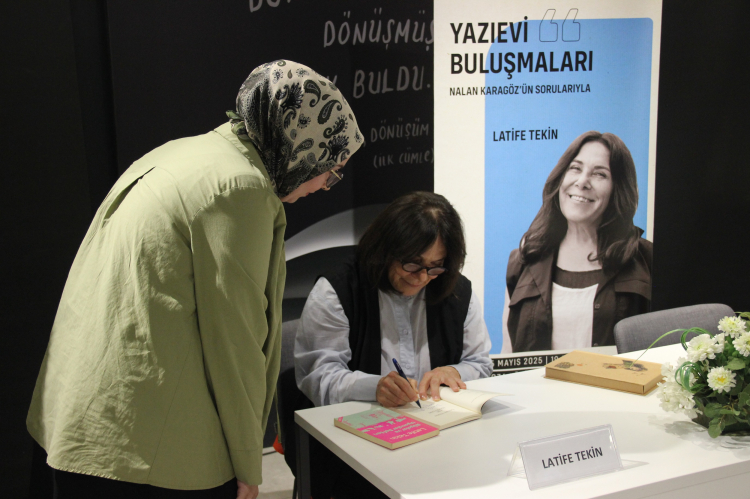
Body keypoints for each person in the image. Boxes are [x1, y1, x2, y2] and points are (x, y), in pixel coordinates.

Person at [26, 60, 363, 499]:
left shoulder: (185, 153)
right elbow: (235, 341)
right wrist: (247, 463)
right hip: (145, 447)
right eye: (330, 168)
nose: (323, 185)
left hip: (83, 413)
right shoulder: (239, 188)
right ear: (303, 146)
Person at [294, 191, 492, 498]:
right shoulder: (338, 290)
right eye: (412, 264)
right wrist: (375, 387)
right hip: (356, 453)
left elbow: (480, 363)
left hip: (442, 442)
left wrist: (454, 373)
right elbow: (318, 377)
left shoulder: (456, 291)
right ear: (385, 250)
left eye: (435, 266)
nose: (422, 278)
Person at [504, 131, 651, 353]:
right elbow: (508, 352)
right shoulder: (524, 259)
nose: (582, 182)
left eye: (599, 174)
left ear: (617, 188)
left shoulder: (646, 259)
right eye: (575, 168)